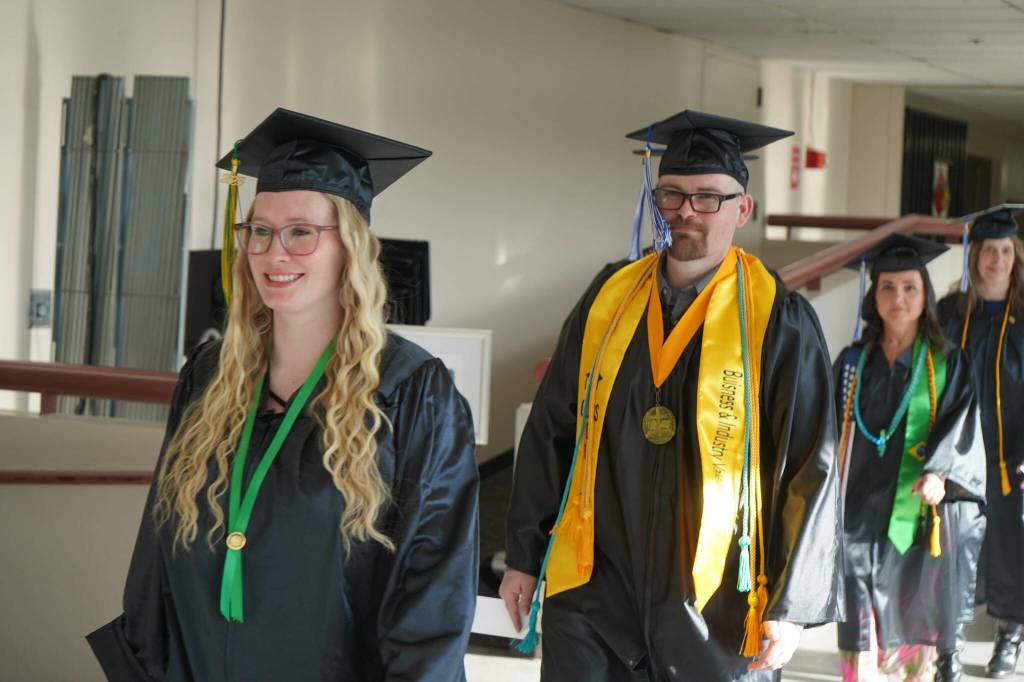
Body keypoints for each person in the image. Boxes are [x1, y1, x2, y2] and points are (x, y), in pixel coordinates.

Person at [86, 108, 480, 681]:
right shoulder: (209, 375)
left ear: (350, 245)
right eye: (260, 231)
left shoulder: (410, 392)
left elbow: (433, 587)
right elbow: (155, 555)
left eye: (301, 232)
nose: (275, 254)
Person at [501, 110, 843, 682]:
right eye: (673, 194)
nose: (687, 210)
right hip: (595, 587)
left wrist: (791, 605)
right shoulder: (608, 300)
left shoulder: (778, 320)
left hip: (715, 598)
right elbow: (553, 428)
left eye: (709, 197)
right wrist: (524, 555)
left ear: (743, 209)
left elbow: (812, 465)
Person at [834, 234, 985, 682]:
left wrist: (940, 472)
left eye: (909, 288)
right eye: (887, 287)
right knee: (855, 618)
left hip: (913, 516)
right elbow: (824, 430)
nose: (898, 298)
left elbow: (963, 424)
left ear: (925, 296)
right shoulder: (851, 362)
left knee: (909, 613)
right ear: (873, 295)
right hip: (856, 511)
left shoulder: (947, 361)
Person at [937, 207, 1024, 679]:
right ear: (975, 258)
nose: (996, 259)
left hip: (1014, 457)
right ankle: (947, 646)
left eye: (1005, 251)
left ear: (1016, 257)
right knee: (954, 552)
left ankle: (1009, 636)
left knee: (1013, 549)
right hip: (959, 456)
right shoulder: (951, 313)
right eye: (989, 250)